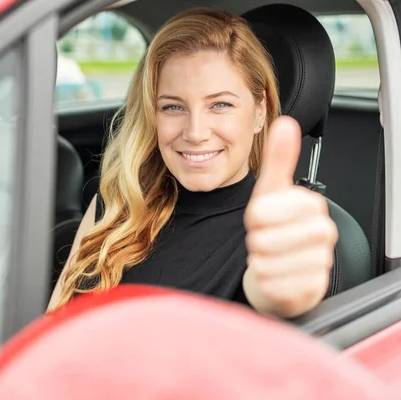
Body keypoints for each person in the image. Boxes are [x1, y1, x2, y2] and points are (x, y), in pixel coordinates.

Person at [47, 8, 338, 318]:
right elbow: (52, 328)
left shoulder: (278, 232)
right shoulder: (118, 202)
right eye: (173, 107)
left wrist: (281, 294)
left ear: (259, 111)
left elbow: (274, 287)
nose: (195, 133)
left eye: (220, 104)